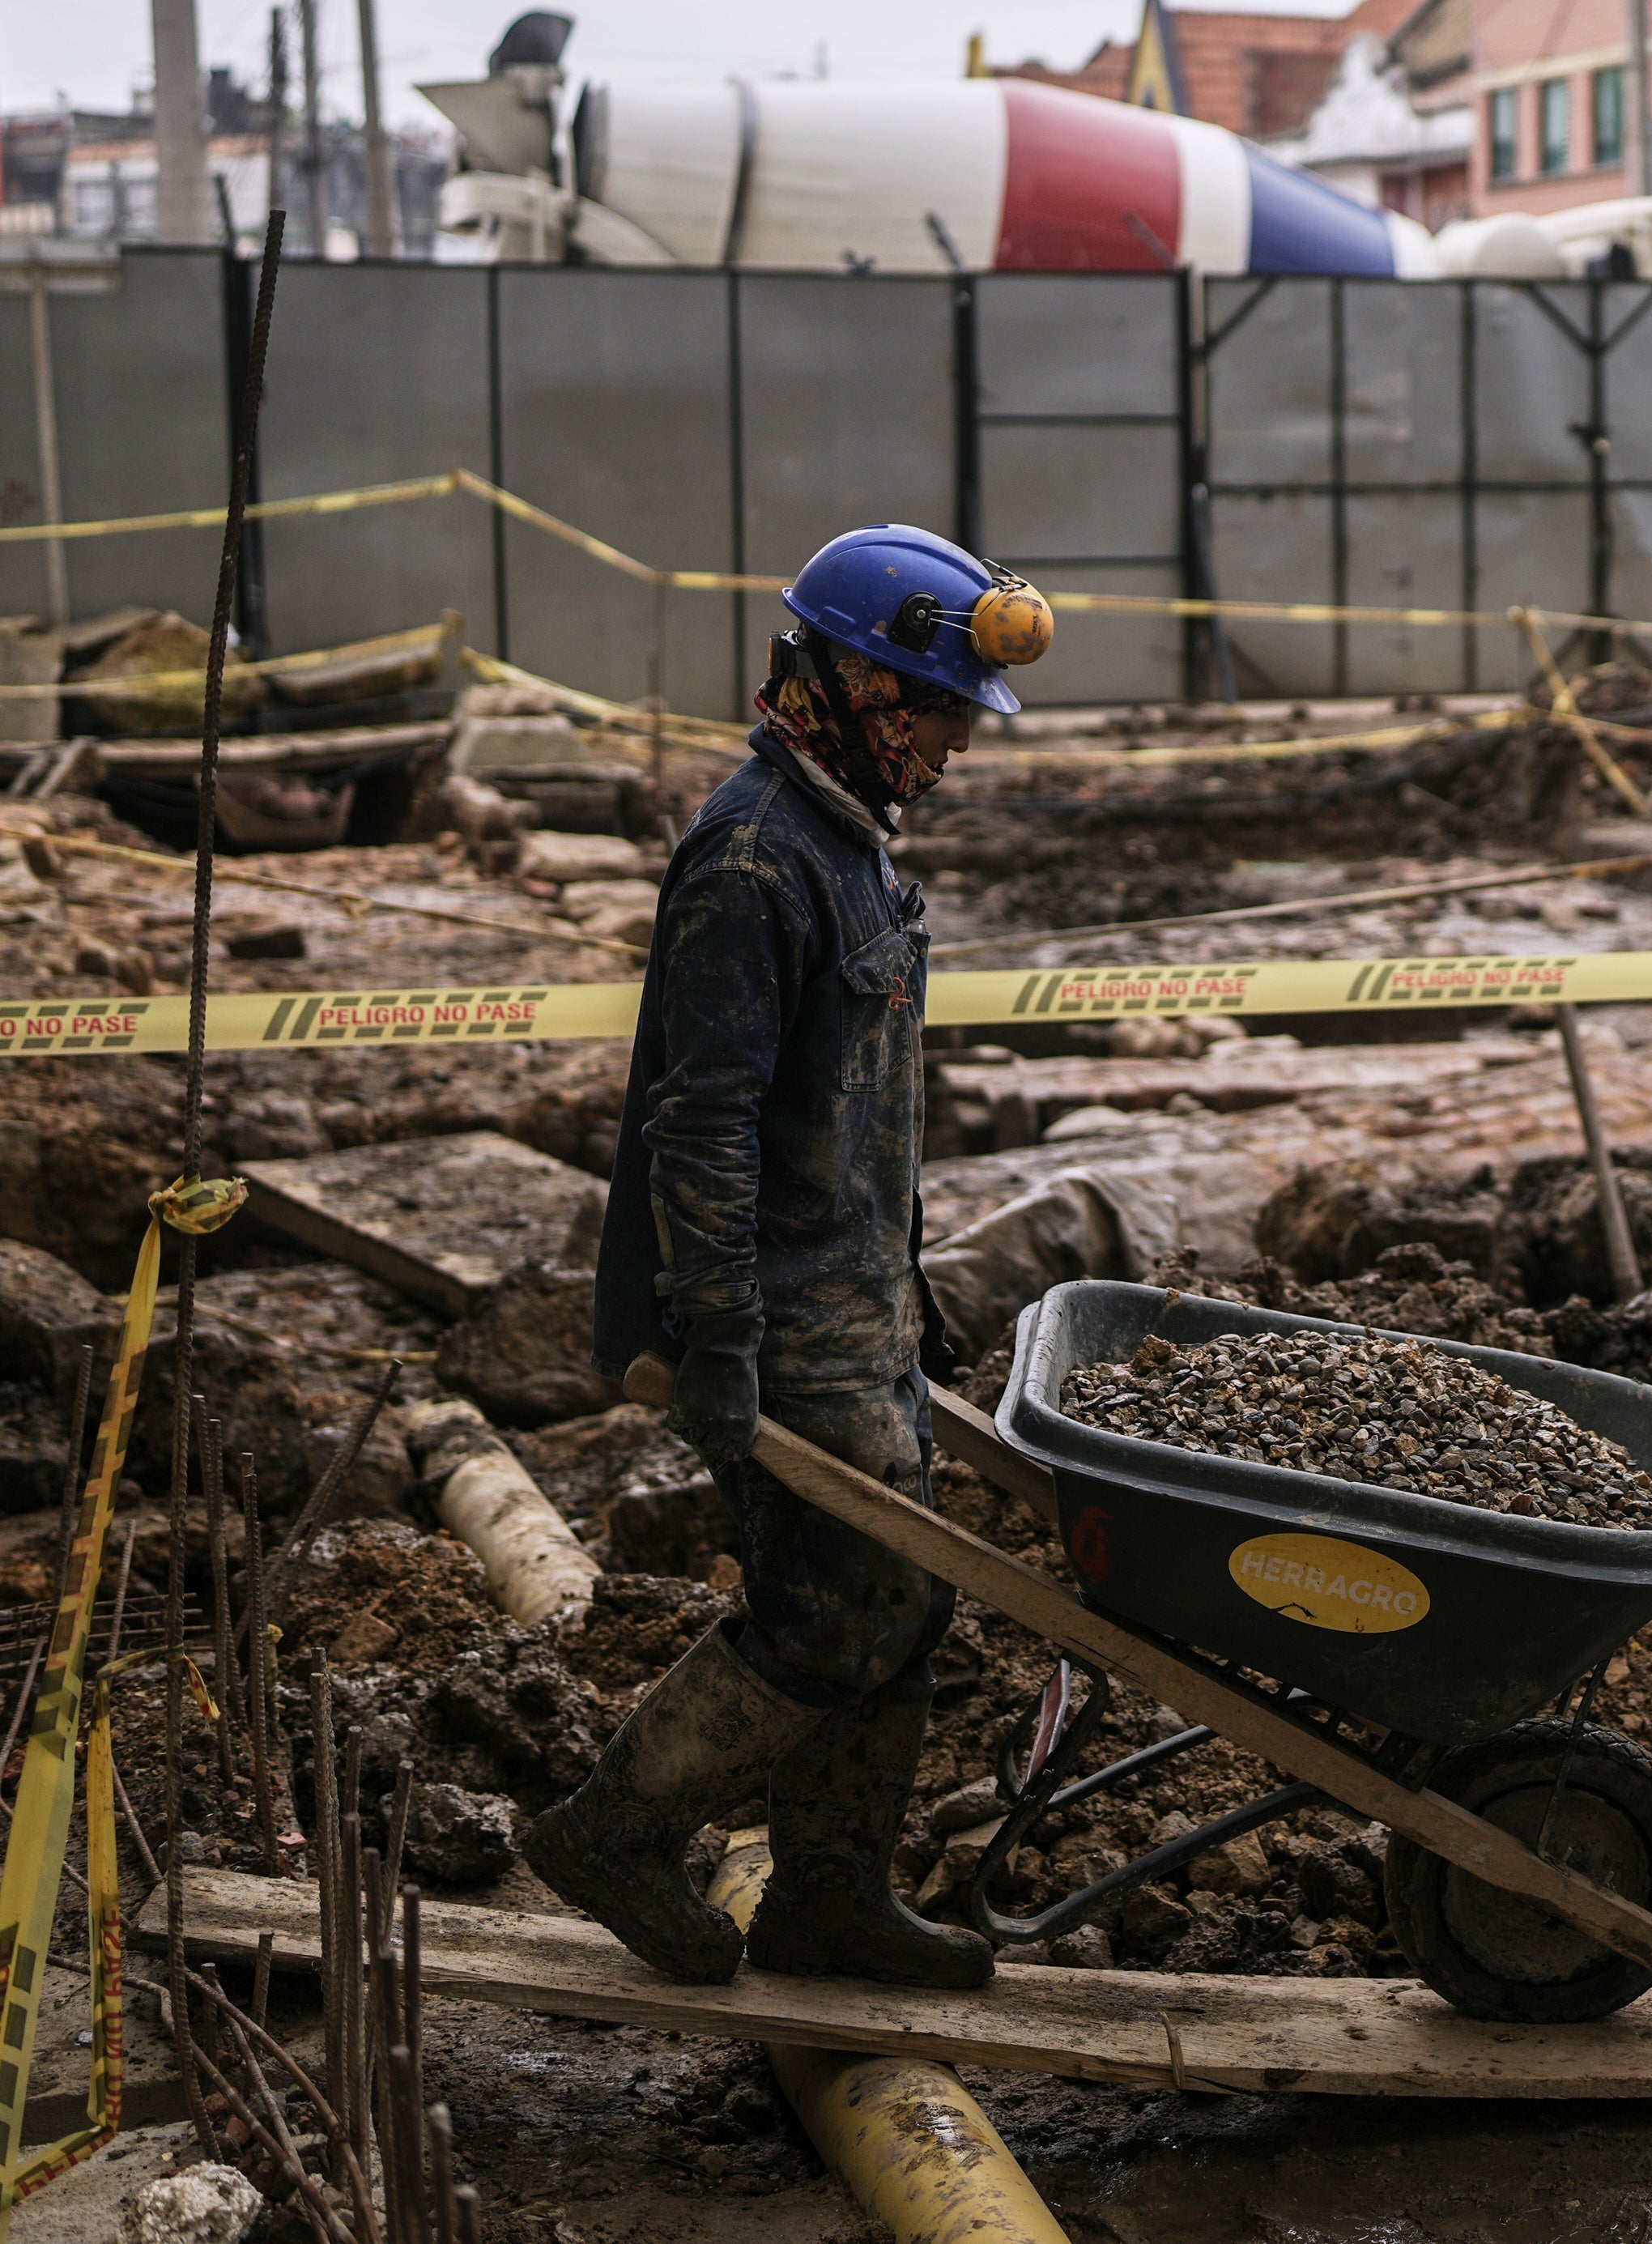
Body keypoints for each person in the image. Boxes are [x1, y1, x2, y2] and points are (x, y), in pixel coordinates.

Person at [530, 525, 1053, 1990]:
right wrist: (721, 1337)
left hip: (856, 1307)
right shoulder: (754, 861)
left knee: (904, 1603)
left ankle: (830, 1901)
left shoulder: (847, 840)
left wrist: (907, 1294)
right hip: (780, 1317)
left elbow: (847, 1108)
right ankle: (612, 1833)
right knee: (838, 1615)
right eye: (936, 710)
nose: (955, 742)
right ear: (850, 686)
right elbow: (701, 1125)